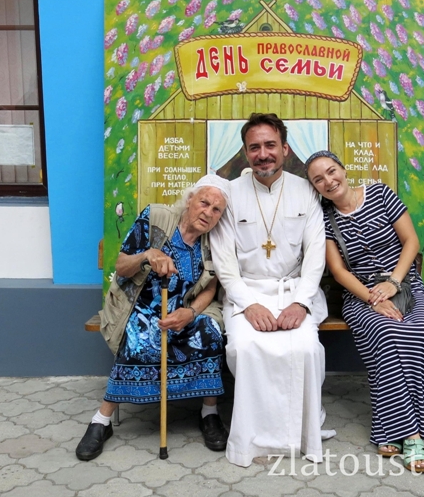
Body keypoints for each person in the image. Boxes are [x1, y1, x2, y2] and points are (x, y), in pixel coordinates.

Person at [76, 175, 231, 461]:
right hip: (140, 305)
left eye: (216, 209)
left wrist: (190, 313)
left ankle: (209, 413)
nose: (208, 213)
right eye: (204, 203)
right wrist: (147, 255)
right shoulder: (157, 217)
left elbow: (211, 287)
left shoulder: (213, 241)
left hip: (184, 309)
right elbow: (122, 266)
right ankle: (102, 420)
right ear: (190, 200)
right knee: (141, 337)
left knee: (209, 331)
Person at [209, 113, 330, 467]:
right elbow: (223, 260)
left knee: (306, 348)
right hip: (245, 293)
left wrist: (301, 303)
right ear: (245, 152)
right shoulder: (230, 193)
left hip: (295, 291)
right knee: (245, 348)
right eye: (255, 147)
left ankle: (302, 436)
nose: (263, 154)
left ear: (285, 148)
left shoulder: (305, 191)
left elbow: (316, 255)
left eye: (270, 145)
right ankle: (252, 442)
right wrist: (248, 305)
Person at [305, 150, 424, 473]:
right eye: (318, 180)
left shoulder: (380, 193)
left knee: (418, 333)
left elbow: (411, 242)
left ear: (344, 170)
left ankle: (385, 428)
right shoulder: (324, 218)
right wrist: (374, 299)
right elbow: (339, 271)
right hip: (361, 297)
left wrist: (393, 282)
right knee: (389, 333)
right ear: (315, 187)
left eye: (331, 171)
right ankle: (413, 436)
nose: (328, 181)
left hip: (406, 287)